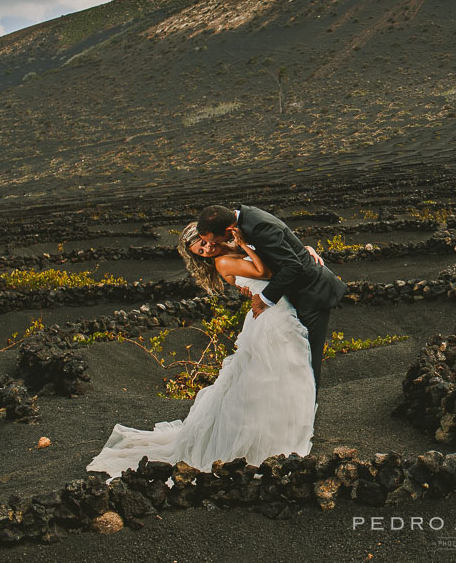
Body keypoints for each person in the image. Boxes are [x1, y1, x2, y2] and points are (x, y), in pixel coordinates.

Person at [86, 222, 316, 478]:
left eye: (205, 242)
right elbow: (265, 272)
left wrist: (301, 250)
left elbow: (274, 257)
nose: (206, 249)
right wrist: (246, 248)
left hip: (275, 310)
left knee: (278, 377)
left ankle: (277, 434)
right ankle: (266, 442)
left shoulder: (233, 247)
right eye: (200, 250)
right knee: (268, 378)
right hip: (270, 317)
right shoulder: (223, 262)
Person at [196, 203, 347, 391]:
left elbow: (291, 265)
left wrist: (263, 299)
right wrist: (300, 248)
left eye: (216, 240)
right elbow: (277, 247)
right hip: (292, 296)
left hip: (311, 292)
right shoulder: (245, 219)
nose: (213, 246)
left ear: (229, 230)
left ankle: (307, 415)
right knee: (293, 358)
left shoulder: (256, 226)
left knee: (307, 360)